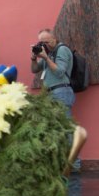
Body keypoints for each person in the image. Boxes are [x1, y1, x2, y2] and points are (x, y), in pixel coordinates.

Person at [30, 28, 78, 170]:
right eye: (40, 42)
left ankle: (75, 165)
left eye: (46, 42)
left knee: (66, 130)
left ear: (54, 39)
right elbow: (34, 70)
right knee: (55, 130)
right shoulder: (48, 53)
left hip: (61, 91)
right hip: (50, 94)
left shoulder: (61, 50)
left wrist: (46, 57)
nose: (43, 45)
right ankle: (61, 163)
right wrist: (34, 58)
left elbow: (59, 71)